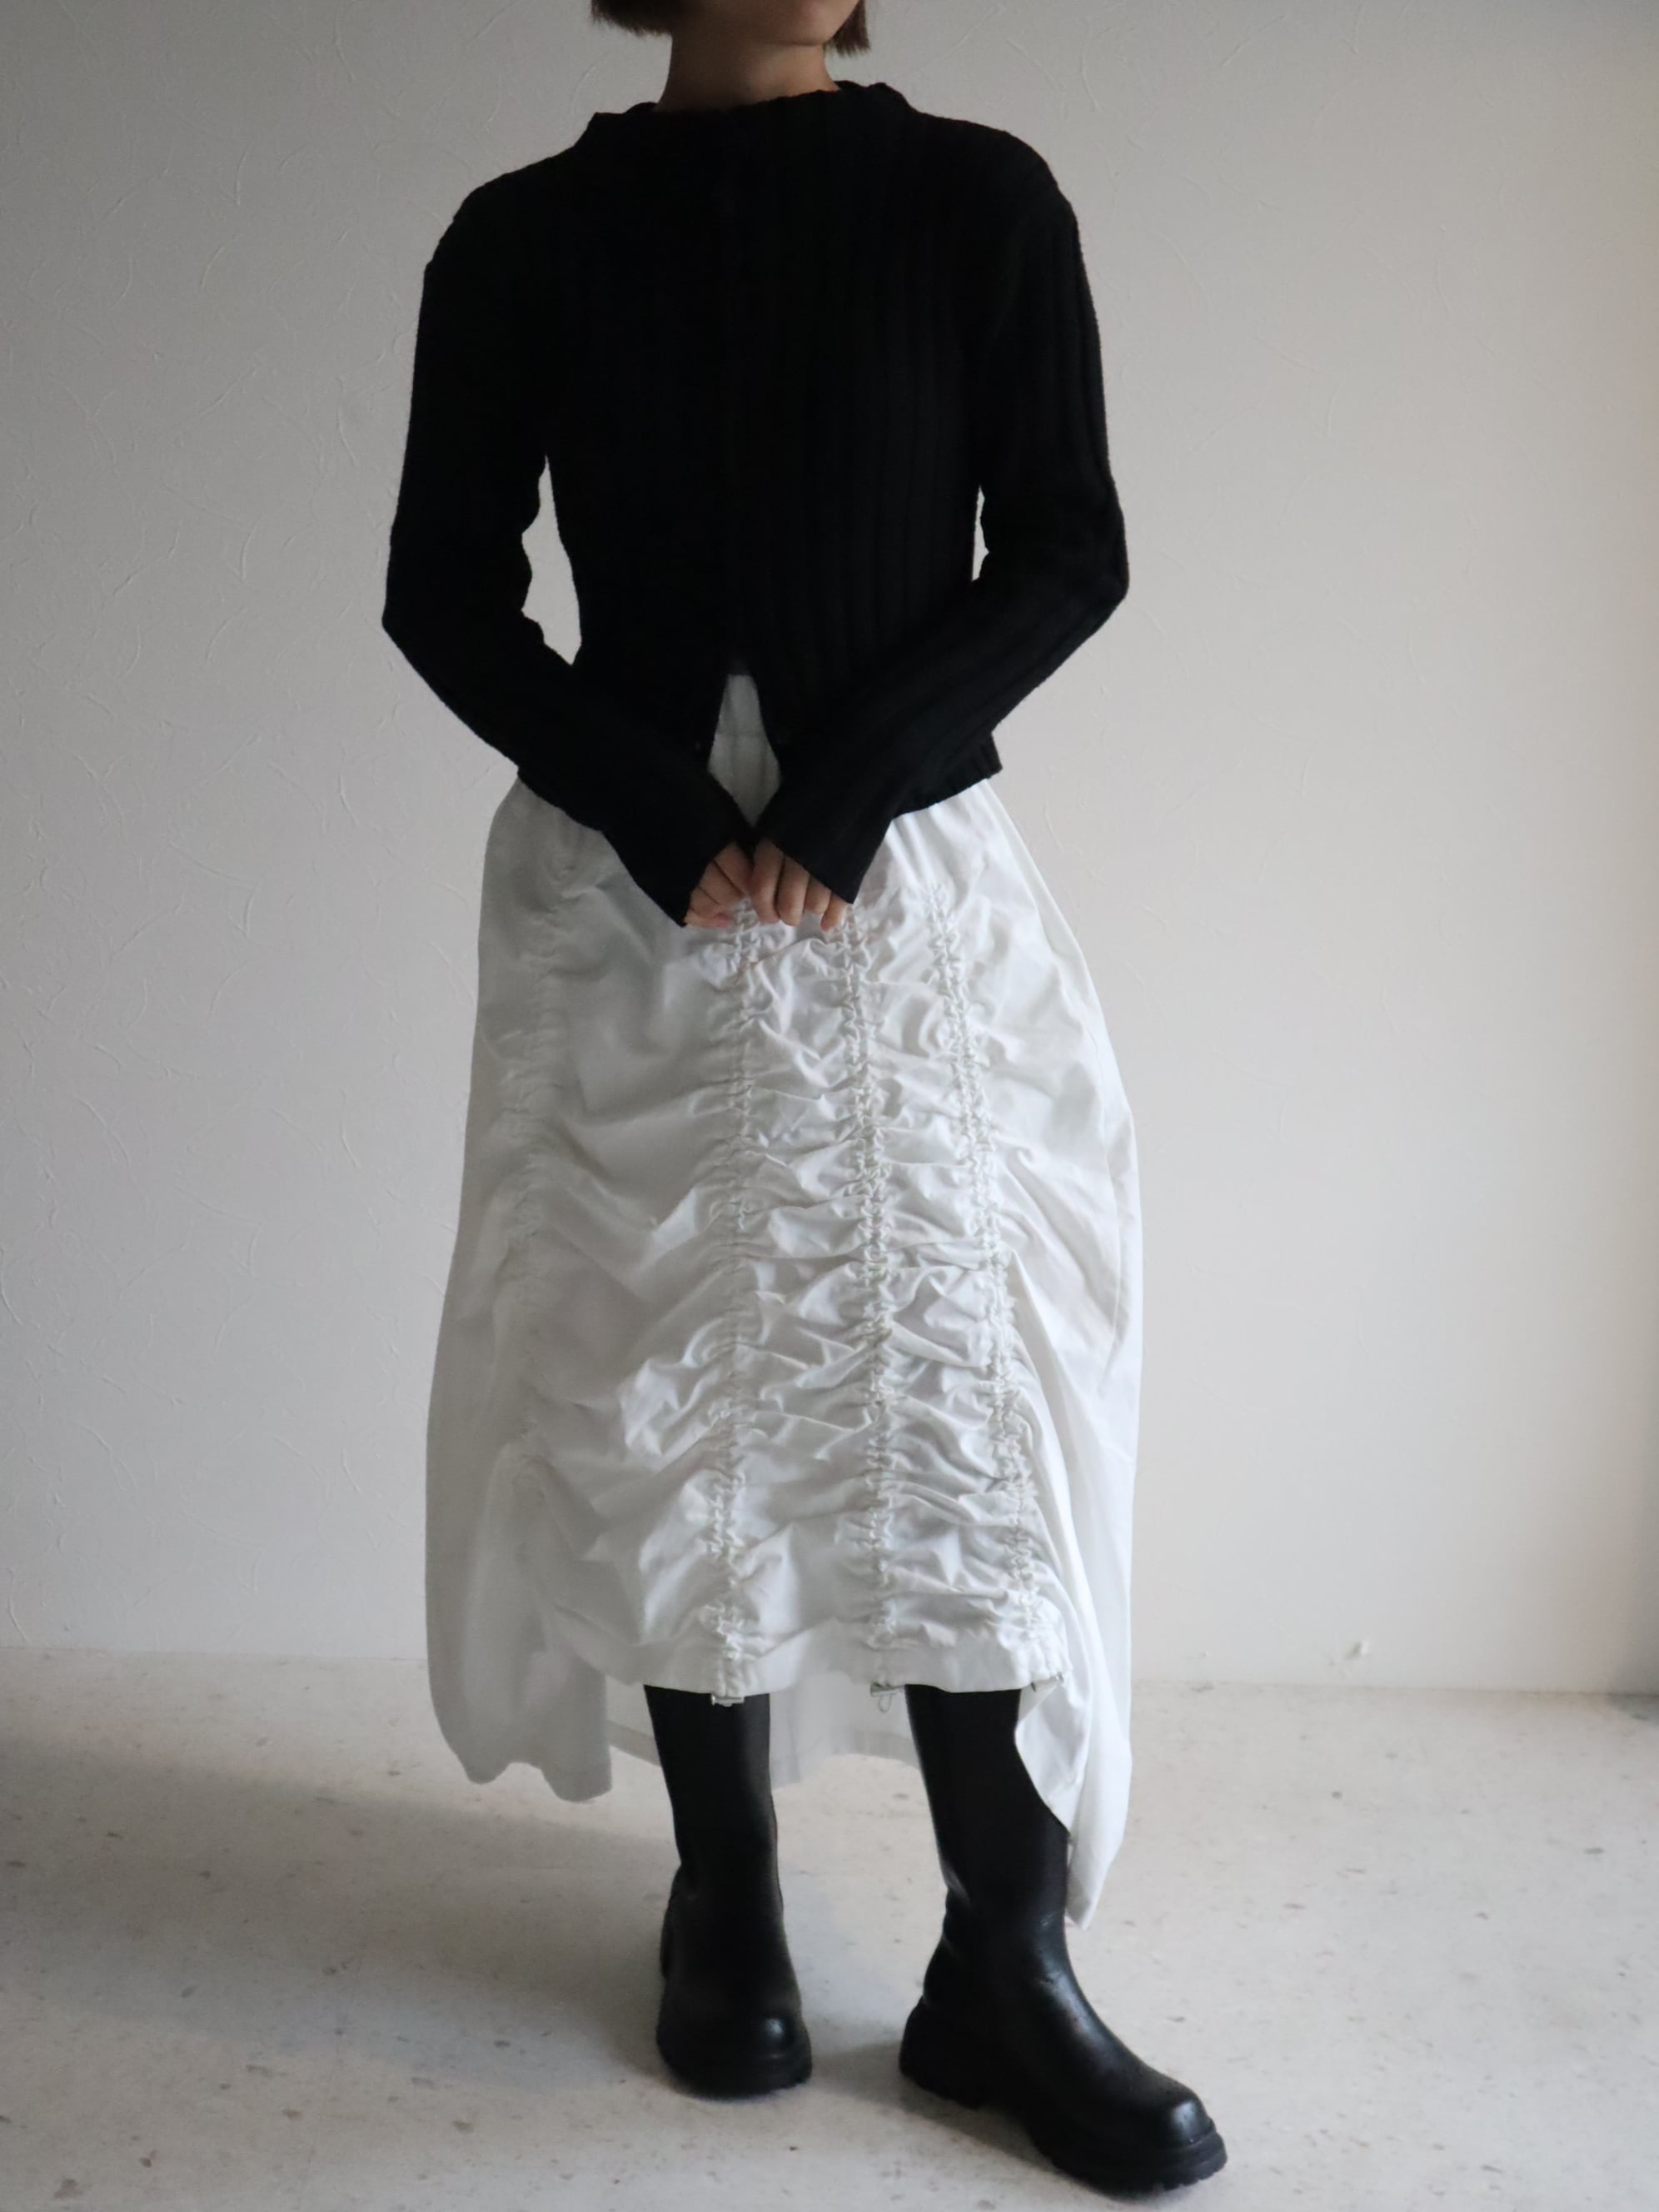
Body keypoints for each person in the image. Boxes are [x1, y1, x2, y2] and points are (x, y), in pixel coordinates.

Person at [381, 0, 1226, 2193]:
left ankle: (1004, 1960)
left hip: (902, 876)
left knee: (950, 1379)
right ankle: (724, 1896)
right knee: (667, 1370)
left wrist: (846, 793)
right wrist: (665, 811)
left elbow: (1068, 548)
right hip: (627, 884)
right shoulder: (522, 238)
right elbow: (439, 595)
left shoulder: (977, 204)